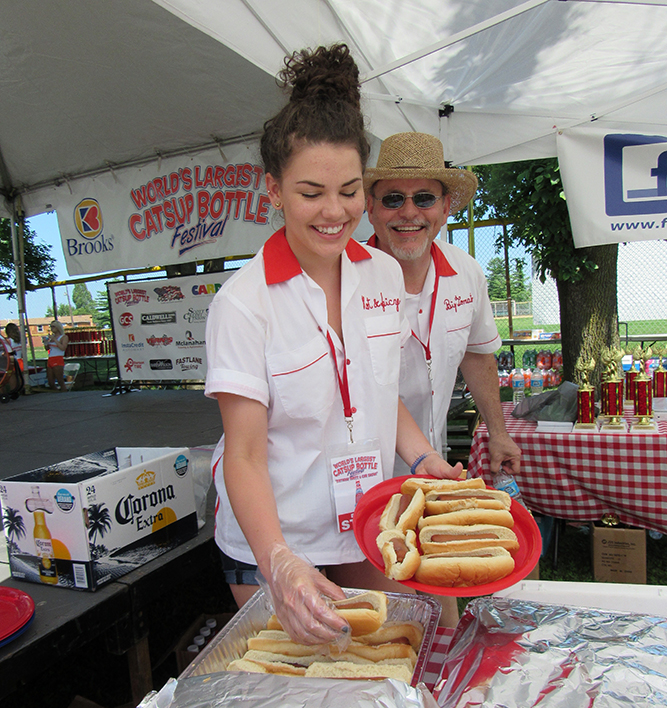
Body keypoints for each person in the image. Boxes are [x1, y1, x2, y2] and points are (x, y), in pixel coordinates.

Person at [205, 46, 462, 646]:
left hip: (363, 520)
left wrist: (426, 461)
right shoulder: (243, 303)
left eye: (349, 191)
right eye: (310, 192)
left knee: (393, 651)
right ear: (273, 190)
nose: (333, 211)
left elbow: (379, 394)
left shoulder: (378, 272)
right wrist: (279, 561)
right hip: (273, 534)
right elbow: (242, 455)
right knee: (303, 678)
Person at [364, 132, 522, 625]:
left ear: (446, 205)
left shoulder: (467, 272)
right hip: (361, 479)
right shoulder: (347, 279)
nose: (408, 212)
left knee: (439, 608)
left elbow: (477, 355)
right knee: (393, 618)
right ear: (370, 208)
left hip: (430, 469)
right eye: (392, 198)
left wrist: (496, 432)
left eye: (423, 198)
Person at [43, 320, 69, 391]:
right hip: (51, 358)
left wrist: (55, 340)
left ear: (58, 327)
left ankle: (64, 391)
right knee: (50, 381)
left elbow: (63, 348)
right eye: (51, 327)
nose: (52, 328)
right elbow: (47, 348)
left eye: (53, 327)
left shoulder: (63, 337)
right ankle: (56, 392)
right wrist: (46, 343)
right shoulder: (52, 337)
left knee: (60, 380)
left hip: (58, 358)